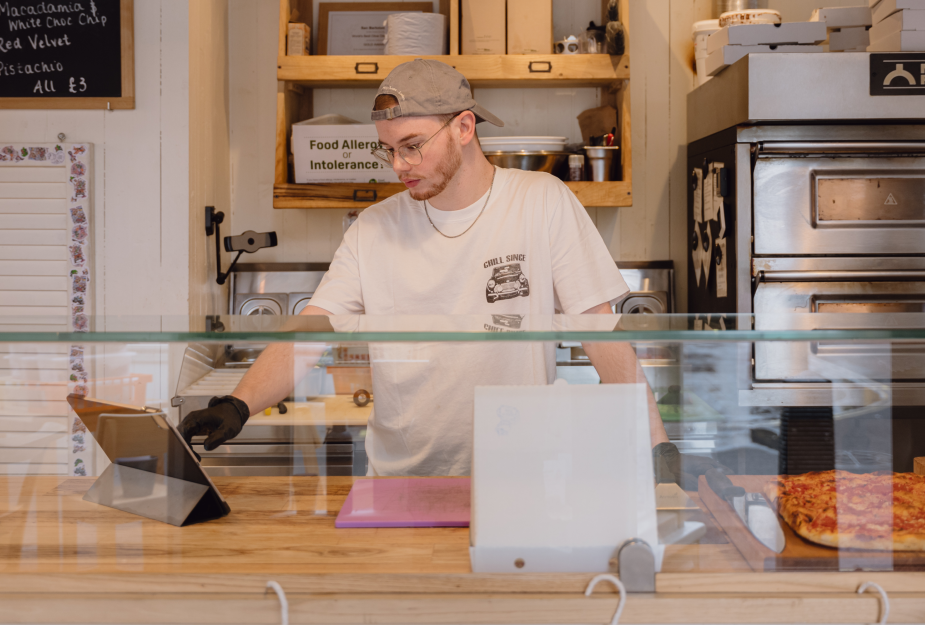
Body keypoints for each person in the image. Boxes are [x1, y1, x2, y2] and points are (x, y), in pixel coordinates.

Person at [181, 59, 683, 479]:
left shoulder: (540, 201)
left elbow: (599, 330)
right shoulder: (374, 227)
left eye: (413, 145)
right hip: (401, 483)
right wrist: (240, 401)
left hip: (523, 474)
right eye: (389, 150)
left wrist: (656, 445)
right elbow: (311, 330)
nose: (399, 165)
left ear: (464, 127)